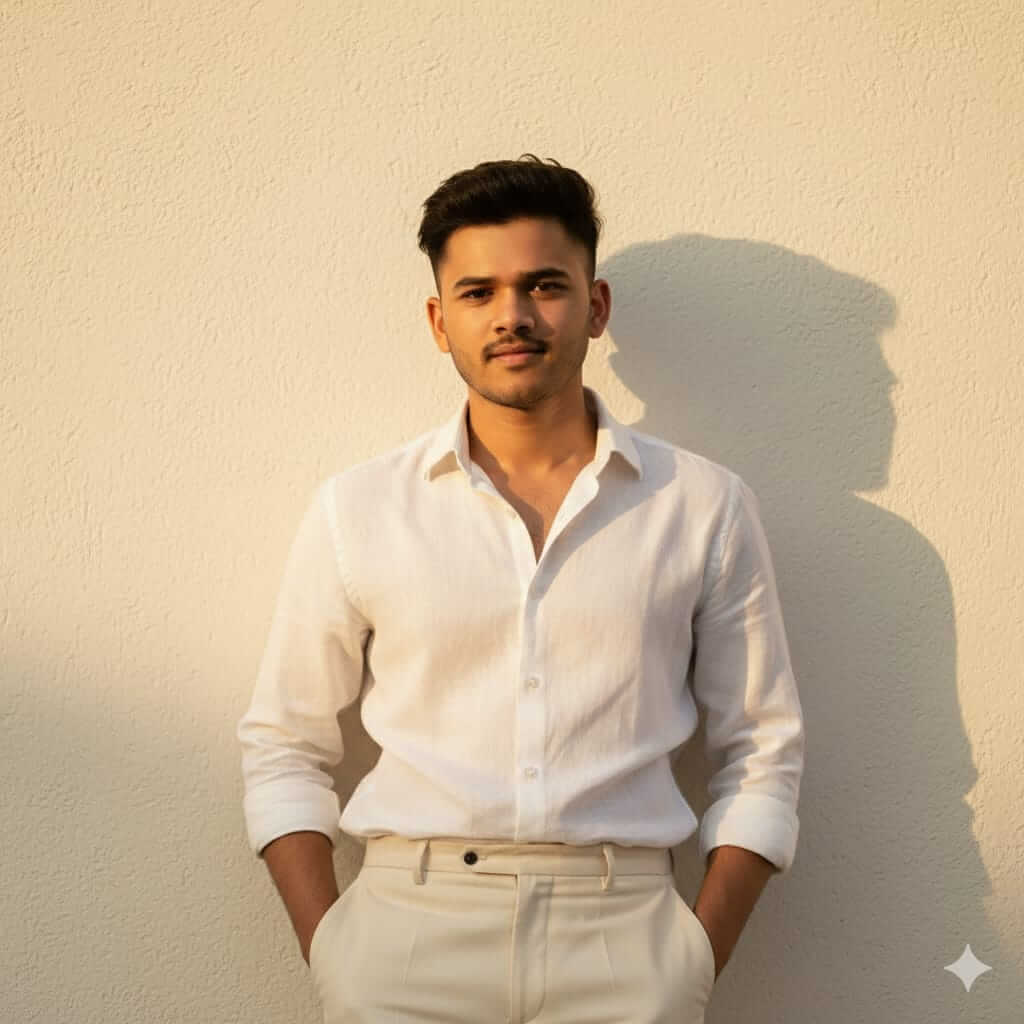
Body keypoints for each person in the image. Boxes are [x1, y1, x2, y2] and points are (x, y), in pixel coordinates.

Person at [236, 154, 805, 1024]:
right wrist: (334, 955)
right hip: (404, 940)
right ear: (438, 319)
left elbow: (762, 750)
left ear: (596, 305)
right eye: (477, 292)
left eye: (544, 285)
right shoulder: (360, 508)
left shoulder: (702, 507)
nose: (513, 316)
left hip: (626, 940)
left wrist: (693, 959)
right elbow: (283, 744)